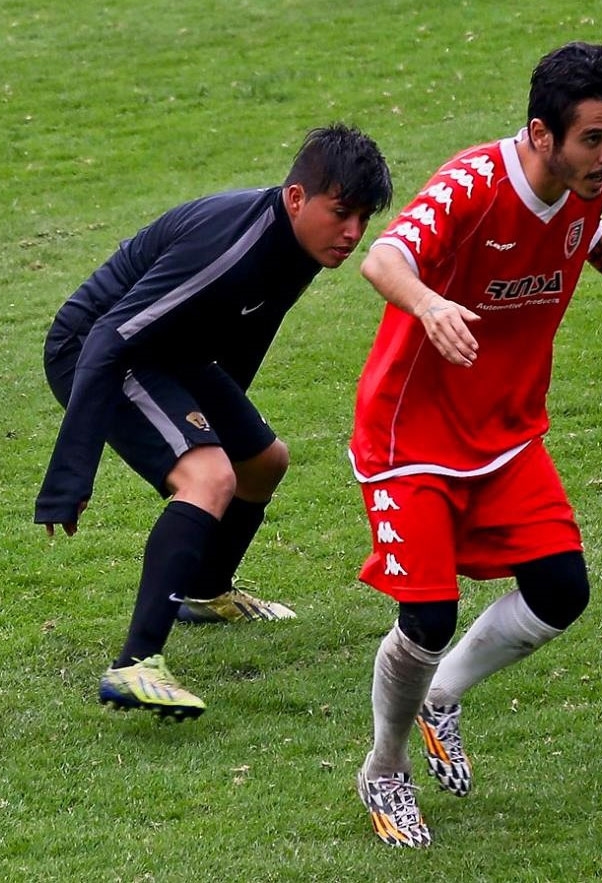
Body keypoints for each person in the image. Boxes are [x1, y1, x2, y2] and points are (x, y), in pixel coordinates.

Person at [348, 41, 602, 847]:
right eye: (594, 138)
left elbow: (592, 240)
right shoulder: (473, 185)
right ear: (540, 133)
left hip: (503, 432)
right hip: (409, 435)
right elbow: (383, 256)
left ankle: (443, 696)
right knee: (426, 614)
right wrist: (429, 305)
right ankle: (384, 768)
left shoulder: (582, 186)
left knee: (561, 590)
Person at [35, 124, 393, 718]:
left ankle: (204, 592)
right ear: (297, 198)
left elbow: (249, 333)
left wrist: (225, 422)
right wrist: (70, 476)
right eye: (342, 214)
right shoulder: (232, 243)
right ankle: (134, 666)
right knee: (210, 479)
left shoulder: (302, 246)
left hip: (175, 350)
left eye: (363, 219)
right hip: (95, 350)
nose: (353, 234)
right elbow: (107, 336)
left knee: (263, 463)